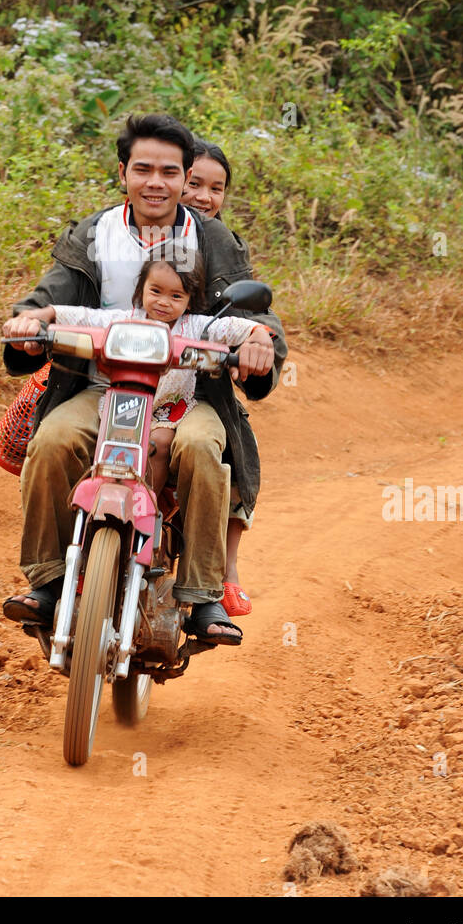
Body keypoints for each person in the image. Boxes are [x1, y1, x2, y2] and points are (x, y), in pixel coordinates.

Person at [1, 112, 287, 645]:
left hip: (188, 394)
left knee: (205, 450)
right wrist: (29, 321)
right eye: (143, 169)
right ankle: (49, 581)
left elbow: (254, 313)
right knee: (52, 441)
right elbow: (50, 300)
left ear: (184, 177)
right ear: (123, 172)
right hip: (98, 387)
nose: (156, 182)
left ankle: (202, 596)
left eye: (170, 172)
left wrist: (258, 342)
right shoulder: (94, 232)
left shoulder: (213, 238)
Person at [37, 245, 272, 501]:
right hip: (121, 405)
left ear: (190, 300)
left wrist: (258, 336)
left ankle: (145, 505)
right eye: (156, 291)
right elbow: (85, 318)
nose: (163, 302)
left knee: (158, 444)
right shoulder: (124, 319)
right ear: (141, 289)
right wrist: (48, 313)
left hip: (167, 410)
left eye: (176, 296)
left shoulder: (199, 327)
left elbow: (238, 327)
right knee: (98, 441)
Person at [181, 138, 256, 616]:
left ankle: (220, 576)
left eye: (217, 188)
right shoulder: (122, 233)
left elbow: (251, 314)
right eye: (194, 183)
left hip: (200, 385)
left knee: (230, 449)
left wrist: (254, 341)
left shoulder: (224, 247)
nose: (205, 197)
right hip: (123, 378)